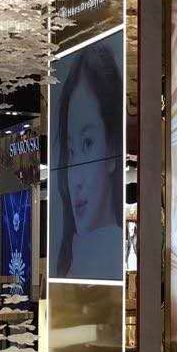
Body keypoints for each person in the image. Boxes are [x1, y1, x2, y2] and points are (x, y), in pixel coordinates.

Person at [54, 39, 122, 280]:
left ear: (112, 146)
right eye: (71, 151)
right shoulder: (76, 258)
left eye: (88, 143)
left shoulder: (109, 257)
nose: (76, 179)